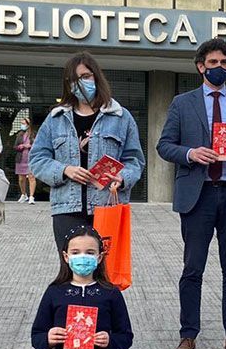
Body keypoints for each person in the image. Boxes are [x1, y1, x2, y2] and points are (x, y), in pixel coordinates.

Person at [156, 38, 226, 349]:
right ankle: (188, 336)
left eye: (224, 63)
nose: (219, 68)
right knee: (193, 268)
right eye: (213, 63)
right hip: (198, 194)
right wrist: (190, 153)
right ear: (200, 66)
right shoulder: (182, 103)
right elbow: (165, 146)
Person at [30, 52, 145, 249]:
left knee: (106, 270)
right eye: (74, 79)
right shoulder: (56, 118)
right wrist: (64, 170)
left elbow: (135, 160)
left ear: (96, 77)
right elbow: (37, 159)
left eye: (85, 76)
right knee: (72, 269)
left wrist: (122, 177)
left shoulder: (120, 116)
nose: (80, 83)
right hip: (67, 208)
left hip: (107, 206)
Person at [14, 118, 37, 204]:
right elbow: (15, 146)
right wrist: (20, 146)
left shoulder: (33, 134)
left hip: (31, 159)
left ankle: (31, 197)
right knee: (21, 179)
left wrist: (29, 145)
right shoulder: (19, 134)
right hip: (21, 159)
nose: (22, 125)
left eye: (24, 123)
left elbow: (37, 145)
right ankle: (23, 194)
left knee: (31, 177)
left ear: (28, 124)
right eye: (21, 123)